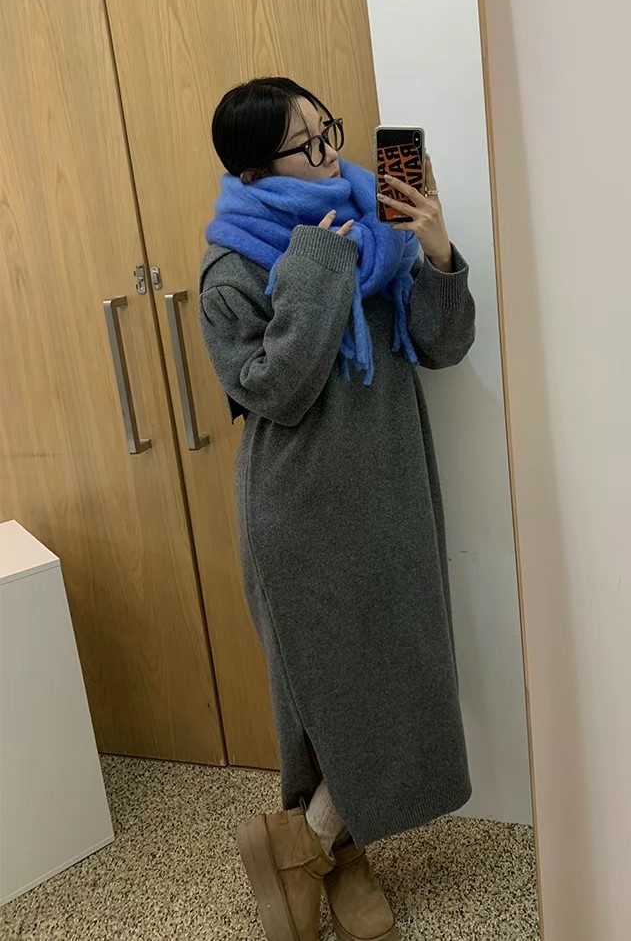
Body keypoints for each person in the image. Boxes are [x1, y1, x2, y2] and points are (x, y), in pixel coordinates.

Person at [200, 77, 475, 941]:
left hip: (391, 489)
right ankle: (339, 859)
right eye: (306, 145)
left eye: (330, 133)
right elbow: (273, 391)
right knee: (323, 696)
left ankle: (306, 848)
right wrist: (319, 266)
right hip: (302, 508)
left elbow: (442, 344)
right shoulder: (232, 265)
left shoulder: (375, 225)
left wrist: (433, 249)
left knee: (402, 676)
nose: (330, 156)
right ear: (253, 170)